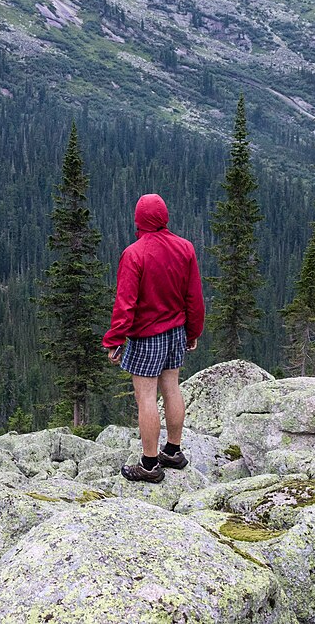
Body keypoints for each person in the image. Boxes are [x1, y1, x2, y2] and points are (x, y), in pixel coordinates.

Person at [102, 193, 205, 483]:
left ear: (139, 220)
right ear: (164, 217)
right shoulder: (185, 248)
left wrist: (115, 339)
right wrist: (193, 330)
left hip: (147, 335)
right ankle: (173, 451)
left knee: (146, 397)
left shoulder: (134, 253)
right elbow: (194, 296)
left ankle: (148, 465)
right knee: (172, 388)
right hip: (176, 331)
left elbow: (126, 303)